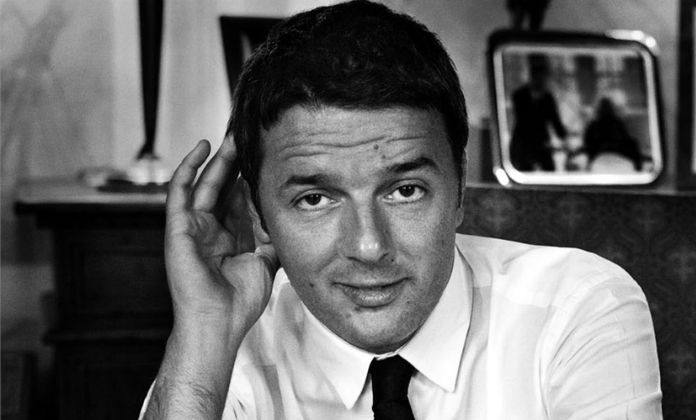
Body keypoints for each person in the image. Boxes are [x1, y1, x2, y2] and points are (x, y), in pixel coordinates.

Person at [140, 1, 661, 419]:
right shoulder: (225, 347)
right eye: (315, 199)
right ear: (258, 216)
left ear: (459, 187)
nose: (369, 247)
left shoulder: (575, 308)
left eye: (404, 191)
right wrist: (203, 331)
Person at [508, 54, 567, 172]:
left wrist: (563, 135)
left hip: (541, 143)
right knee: (524, 169)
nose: (541, 81)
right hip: (524, 143)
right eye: (538, 77)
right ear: (532, 77)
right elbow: (524, 120)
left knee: (549, 171)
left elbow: (554, 119)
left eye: (543, 78)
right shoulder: (519, 96)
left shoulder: (547, 98)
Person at [583, 97, 645, 172]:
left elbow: (588, 144)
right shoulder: (617, 123)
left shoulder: (593, 125)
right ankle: (639, 170)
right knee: (633, 143)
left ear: (598, 110)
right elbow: (627, 139)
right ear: (612, 109)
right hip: (616, 152)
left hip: (601, 153)